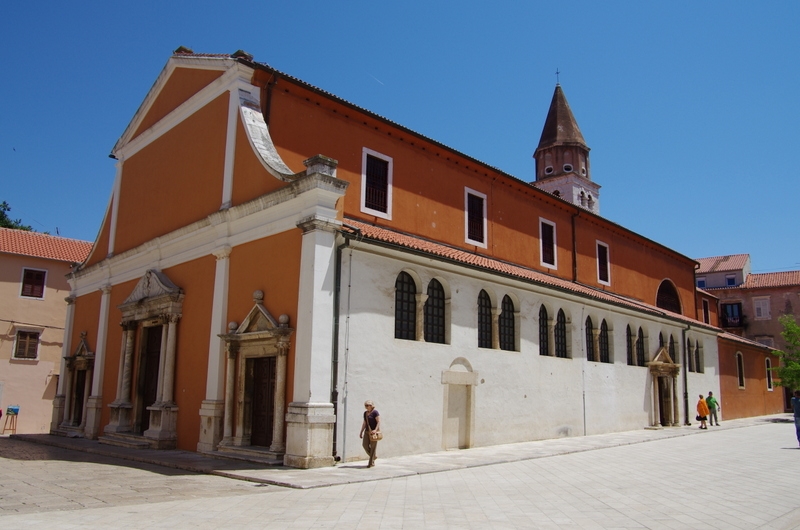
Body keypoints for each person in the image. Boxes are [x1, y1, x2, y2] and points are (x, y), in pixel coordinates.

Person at [360, 400, 381, 467]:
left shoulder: (375, 412)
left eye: (368, 405)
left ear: (372, 406)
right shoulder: (365, 413)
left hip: (374, 433)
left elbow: (378, 422)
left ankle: (370, 463)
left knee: (373, 447)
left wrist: (375, 430)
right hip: (367, 432)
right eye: (366, 405)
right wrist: (361, 432)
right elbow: (364, 423)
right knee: (364, 445)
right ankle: (373, 456)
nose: (367, 406)